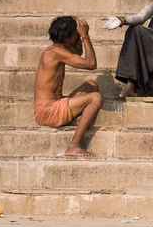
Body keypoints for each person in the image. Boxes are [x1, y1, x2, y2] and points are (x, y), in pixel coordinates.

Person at [34, 16, 103, 157]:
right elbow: (91, 64)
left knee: (91, 85)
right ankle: (74, 145)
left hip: (55, 105)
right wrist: (85, 36)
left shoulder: (58, 49)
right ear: (66, 37)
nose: (78, 36)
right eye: (75, 34)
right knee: (95, 98)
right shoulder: (55, 53)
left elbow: (78, 52)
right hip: (47, 111)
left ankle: (72, 119)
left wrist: (78, 36)